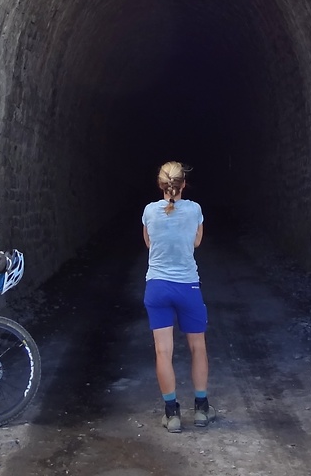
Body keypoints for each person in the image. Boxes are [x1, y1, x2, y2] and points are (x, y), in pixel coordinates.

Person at [141, 160, 210, 432]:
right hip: (187, 287)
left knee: (163, 351)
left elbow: (149, 243)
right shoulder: (194, 210)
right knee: (197, 347)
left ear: (161, 185)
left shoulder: (149, 211)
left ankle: (172, 414)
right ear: (184, 184)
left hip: (157, 286)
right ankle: (202, 409)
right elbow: (196, 242)